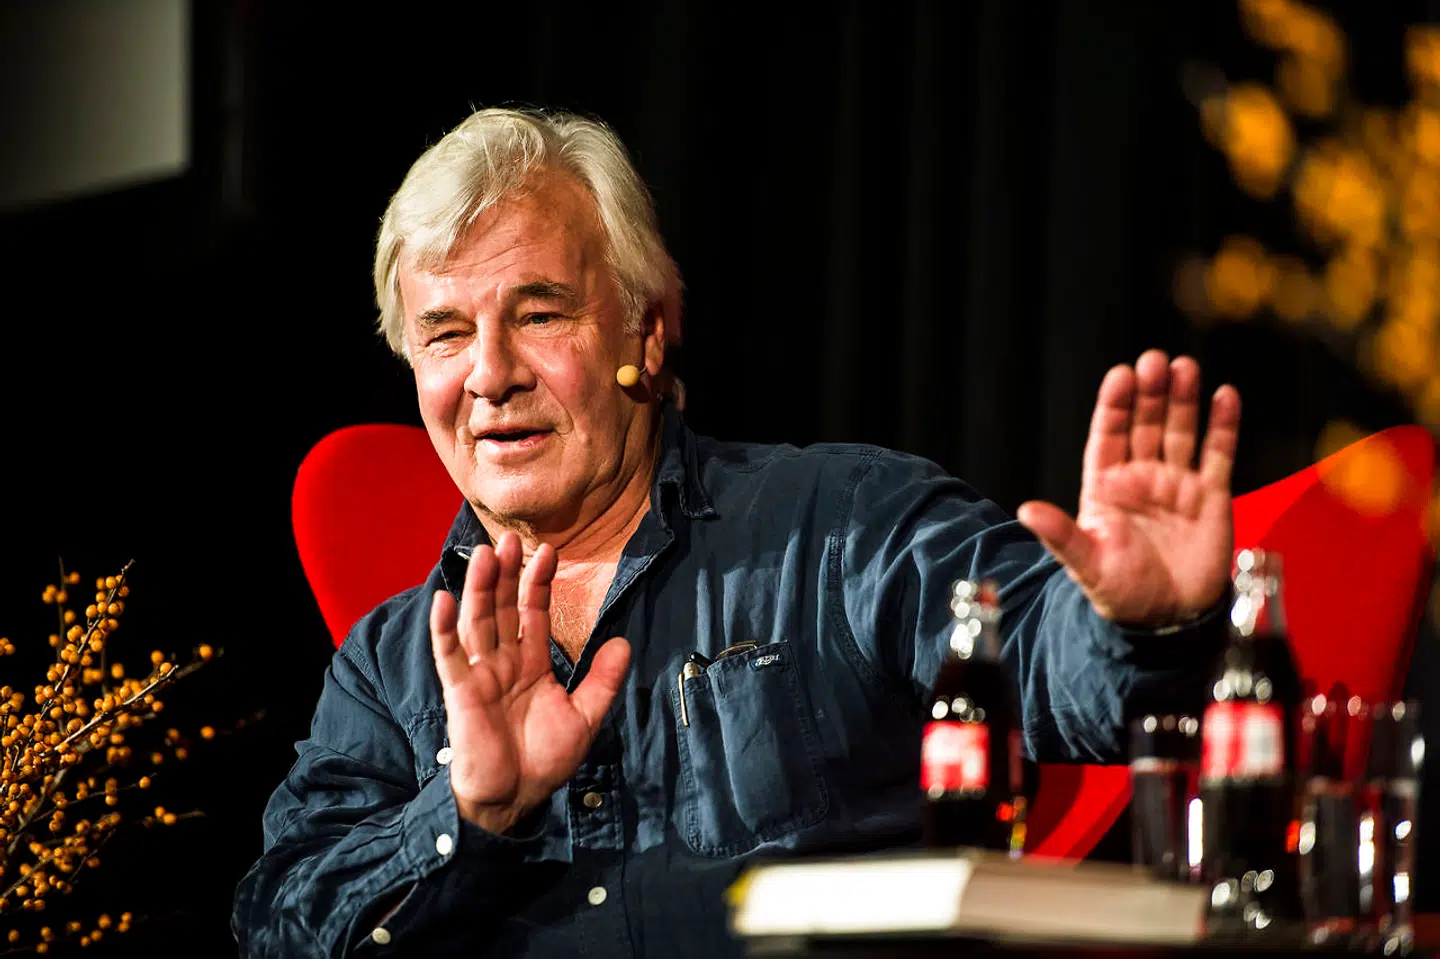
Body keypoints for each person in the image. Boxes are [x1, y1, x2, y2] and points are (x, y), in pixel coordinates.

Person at [232, 107, 1241, 957]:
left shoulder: (841, 524)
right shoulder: (391, 665)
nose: (490, 373)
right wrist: (467, 811)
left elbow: (1058, 673)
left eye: (539, 314)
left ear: (644, 332)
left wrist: (1139, 626)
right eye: (446, 333)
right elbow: (278, 925)